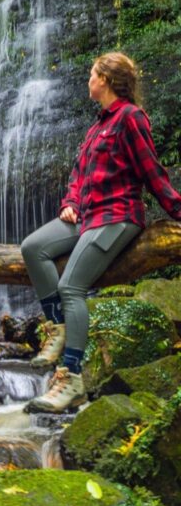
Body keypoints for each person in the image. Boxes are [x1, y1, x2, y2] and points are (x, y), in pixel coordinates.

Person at [20, 51, 181, 413]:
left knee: (71, 287)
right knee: (33, 247)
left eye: (92, 74)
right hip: (86, 215)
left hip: (117, 216)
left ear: (105, 80)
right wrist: (71, 201)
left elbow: (152, 172)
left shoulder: (130, 118)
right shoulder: (97, 126)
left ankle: (72, 378)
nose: (88, 79)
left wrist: (177, 209)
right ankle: (57, 328)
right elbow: (79, 174)